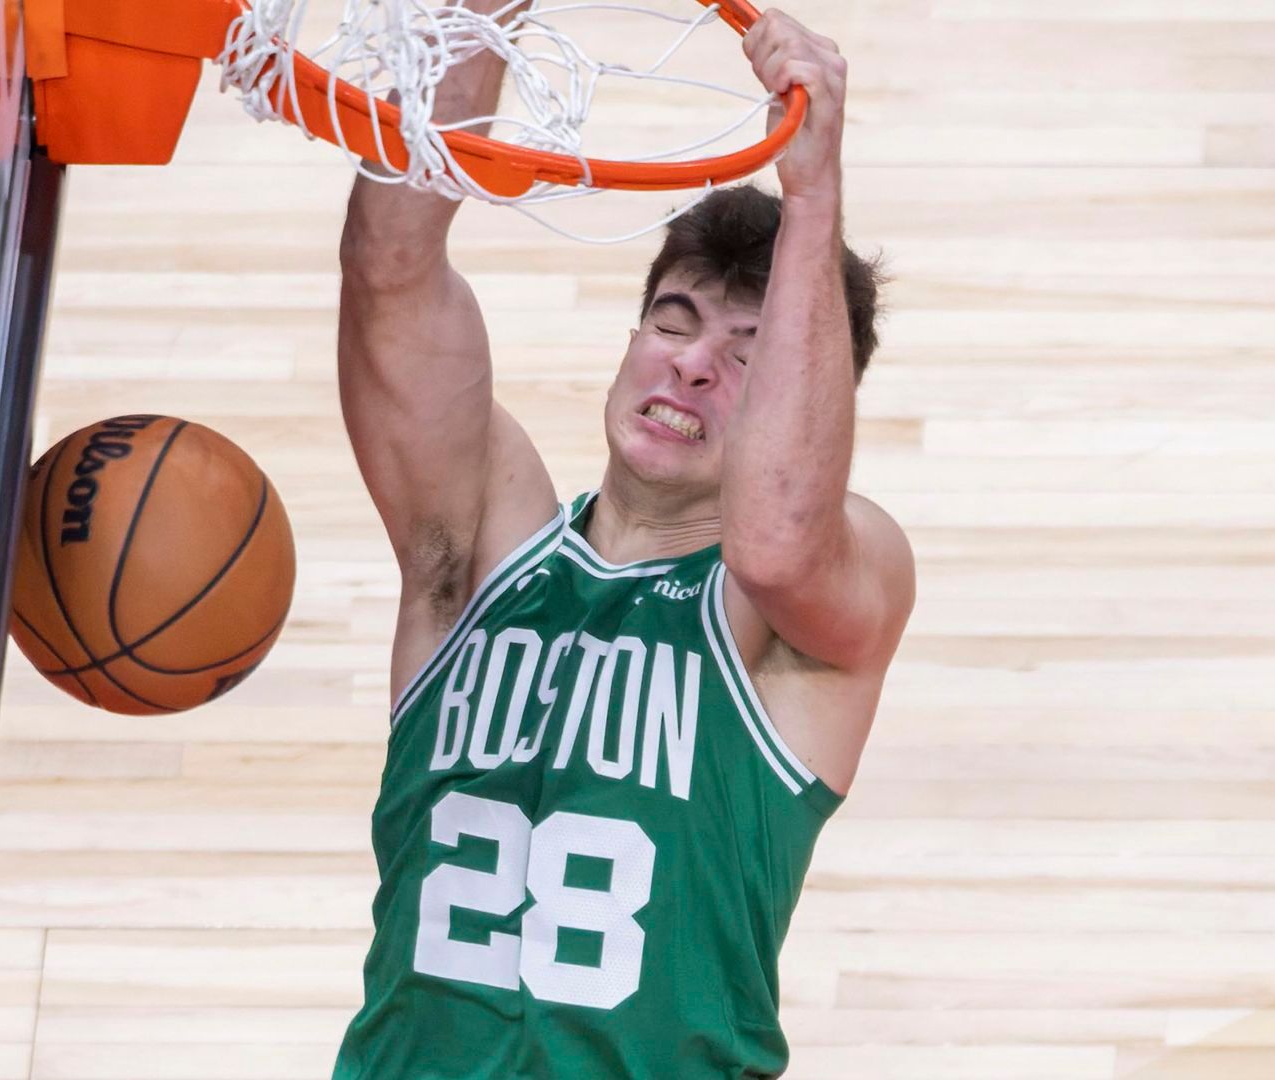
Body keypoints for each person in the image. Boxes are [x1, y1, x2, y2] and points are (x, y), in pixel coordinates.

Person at [329, 6, 915, 1077]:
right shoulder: (473, 549)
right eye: (675, 320)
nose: (691, 367)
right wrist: (478, 23)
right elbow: (389, 266)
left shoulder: (807, 613)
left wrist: (815, 192)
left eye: (747, 354)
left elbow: (778, 540)